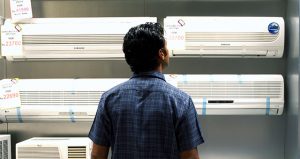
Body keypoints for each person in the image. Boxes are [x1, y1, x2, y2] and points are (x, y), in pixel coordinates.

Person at [89, 22, 204, 159]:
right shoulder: (181, 101)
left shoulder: (109, 99)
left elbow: (97, 155)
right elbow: (190, 157)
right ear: (161, 53)